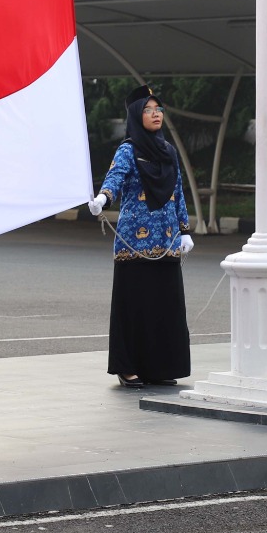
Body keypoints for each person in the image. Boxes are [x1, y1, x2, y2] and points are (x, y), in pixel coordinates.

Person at [88, 86, 193, 388]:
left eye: (158, 109)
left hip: (168, 241)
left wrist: (185, 230)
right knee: (134, 306)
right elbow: (115, 179)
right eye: (148, 110)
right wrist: (104, 199)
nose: (155, 114)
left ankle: (160, 367)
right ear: (136, 115)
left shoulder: (168, 151)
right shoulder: (129, 150)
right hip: (134, 243)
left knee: (165, 307)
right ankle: (128, 367)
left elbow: (178, 192)